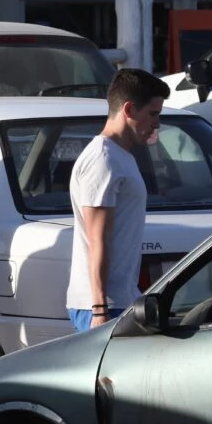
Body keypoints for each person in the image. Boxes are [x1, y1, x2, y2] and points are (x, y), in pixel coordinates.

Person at [66, 68, 170, 332]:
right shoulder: (103, 159)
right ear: (129, 110)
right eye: (153, 114)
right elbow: (96, 240)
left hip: (121, 300)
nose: (157, 123)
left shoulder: (121, 156)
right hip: (102, 306)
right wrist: (99, 310)